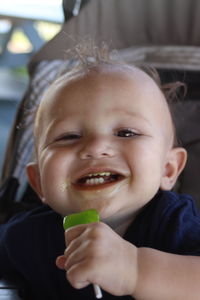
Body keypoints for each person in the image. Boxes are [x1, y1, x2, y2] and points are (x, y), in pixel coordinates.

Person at [1, 46, 200, 300]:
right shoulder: (27, 237)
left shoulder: (173, 222)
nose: (95, 148)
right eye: (69, 137)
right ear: (39, 182)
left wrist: (137, 270)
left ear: (168, 169)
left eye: (126, 133)